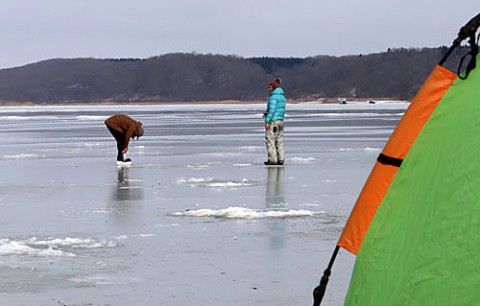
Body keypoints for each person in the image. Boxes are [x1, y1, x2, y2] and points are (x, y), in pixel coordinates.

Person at [263, 78, 286, 165]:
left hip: (273, 121)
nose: (269, 89)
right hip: (280, 121)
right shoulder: (282, 97)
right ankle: (281, 159)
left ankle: (272, 160)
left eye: (270, 87)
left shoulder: (273, 97)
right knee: (279, 140)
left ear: (274, 87)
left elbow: (272, 110)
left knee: (270, 140)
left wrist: (267, 121)